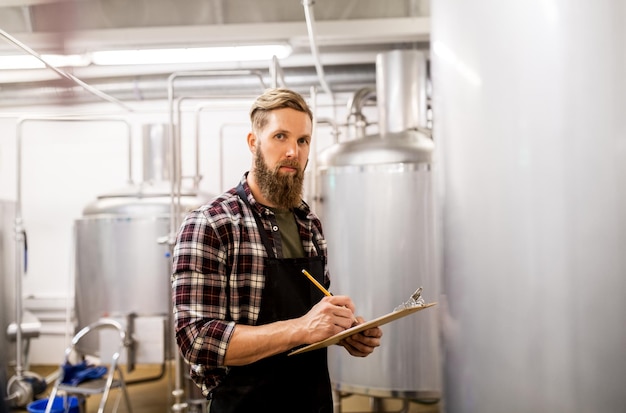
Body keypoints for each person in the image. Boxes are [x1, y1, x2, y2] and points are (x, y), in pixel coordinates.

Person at [171, 88, 382, 412]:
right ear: (254, 142)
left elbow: (310, 312)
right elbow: (197, 339)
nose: (292, 152)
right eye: (280, 136)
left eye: (303, 140)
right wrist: (302, 328)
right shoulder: (212, 223)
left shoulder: (309, 224)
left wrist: (343, 330)